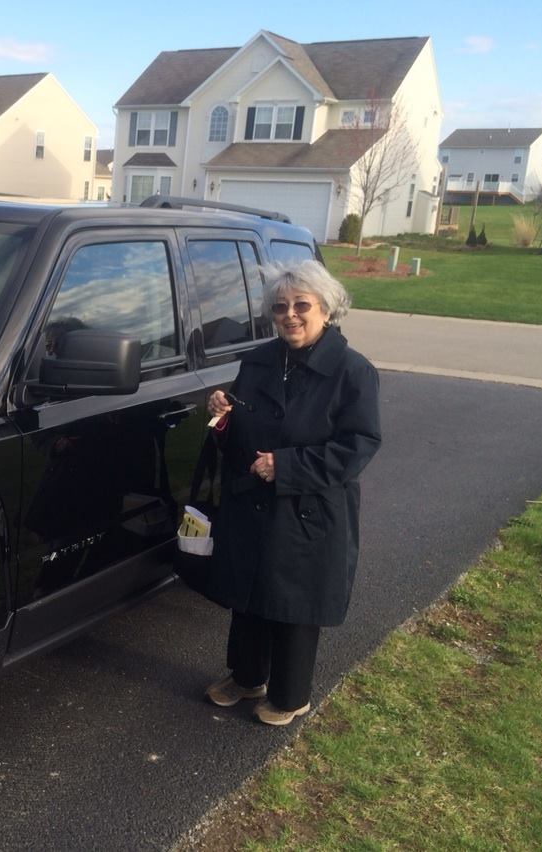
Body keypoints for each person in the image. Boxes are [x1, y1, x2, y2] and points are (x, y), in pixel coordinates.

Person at [201, 259, 382, 726]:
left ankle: (289, 695)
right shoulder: (259, 360)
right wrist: (222, 419)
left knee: (294, 605)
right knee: (251, 595)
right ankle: (246, 677)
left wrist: (288, 466)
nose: (291, 315)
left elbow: (357, 446)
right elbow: (240, 433)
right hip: (254, 504)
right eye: (281, 307)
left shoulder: (352, 371)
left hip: (310, 508)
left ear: (327, 309)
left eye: (302, 305)